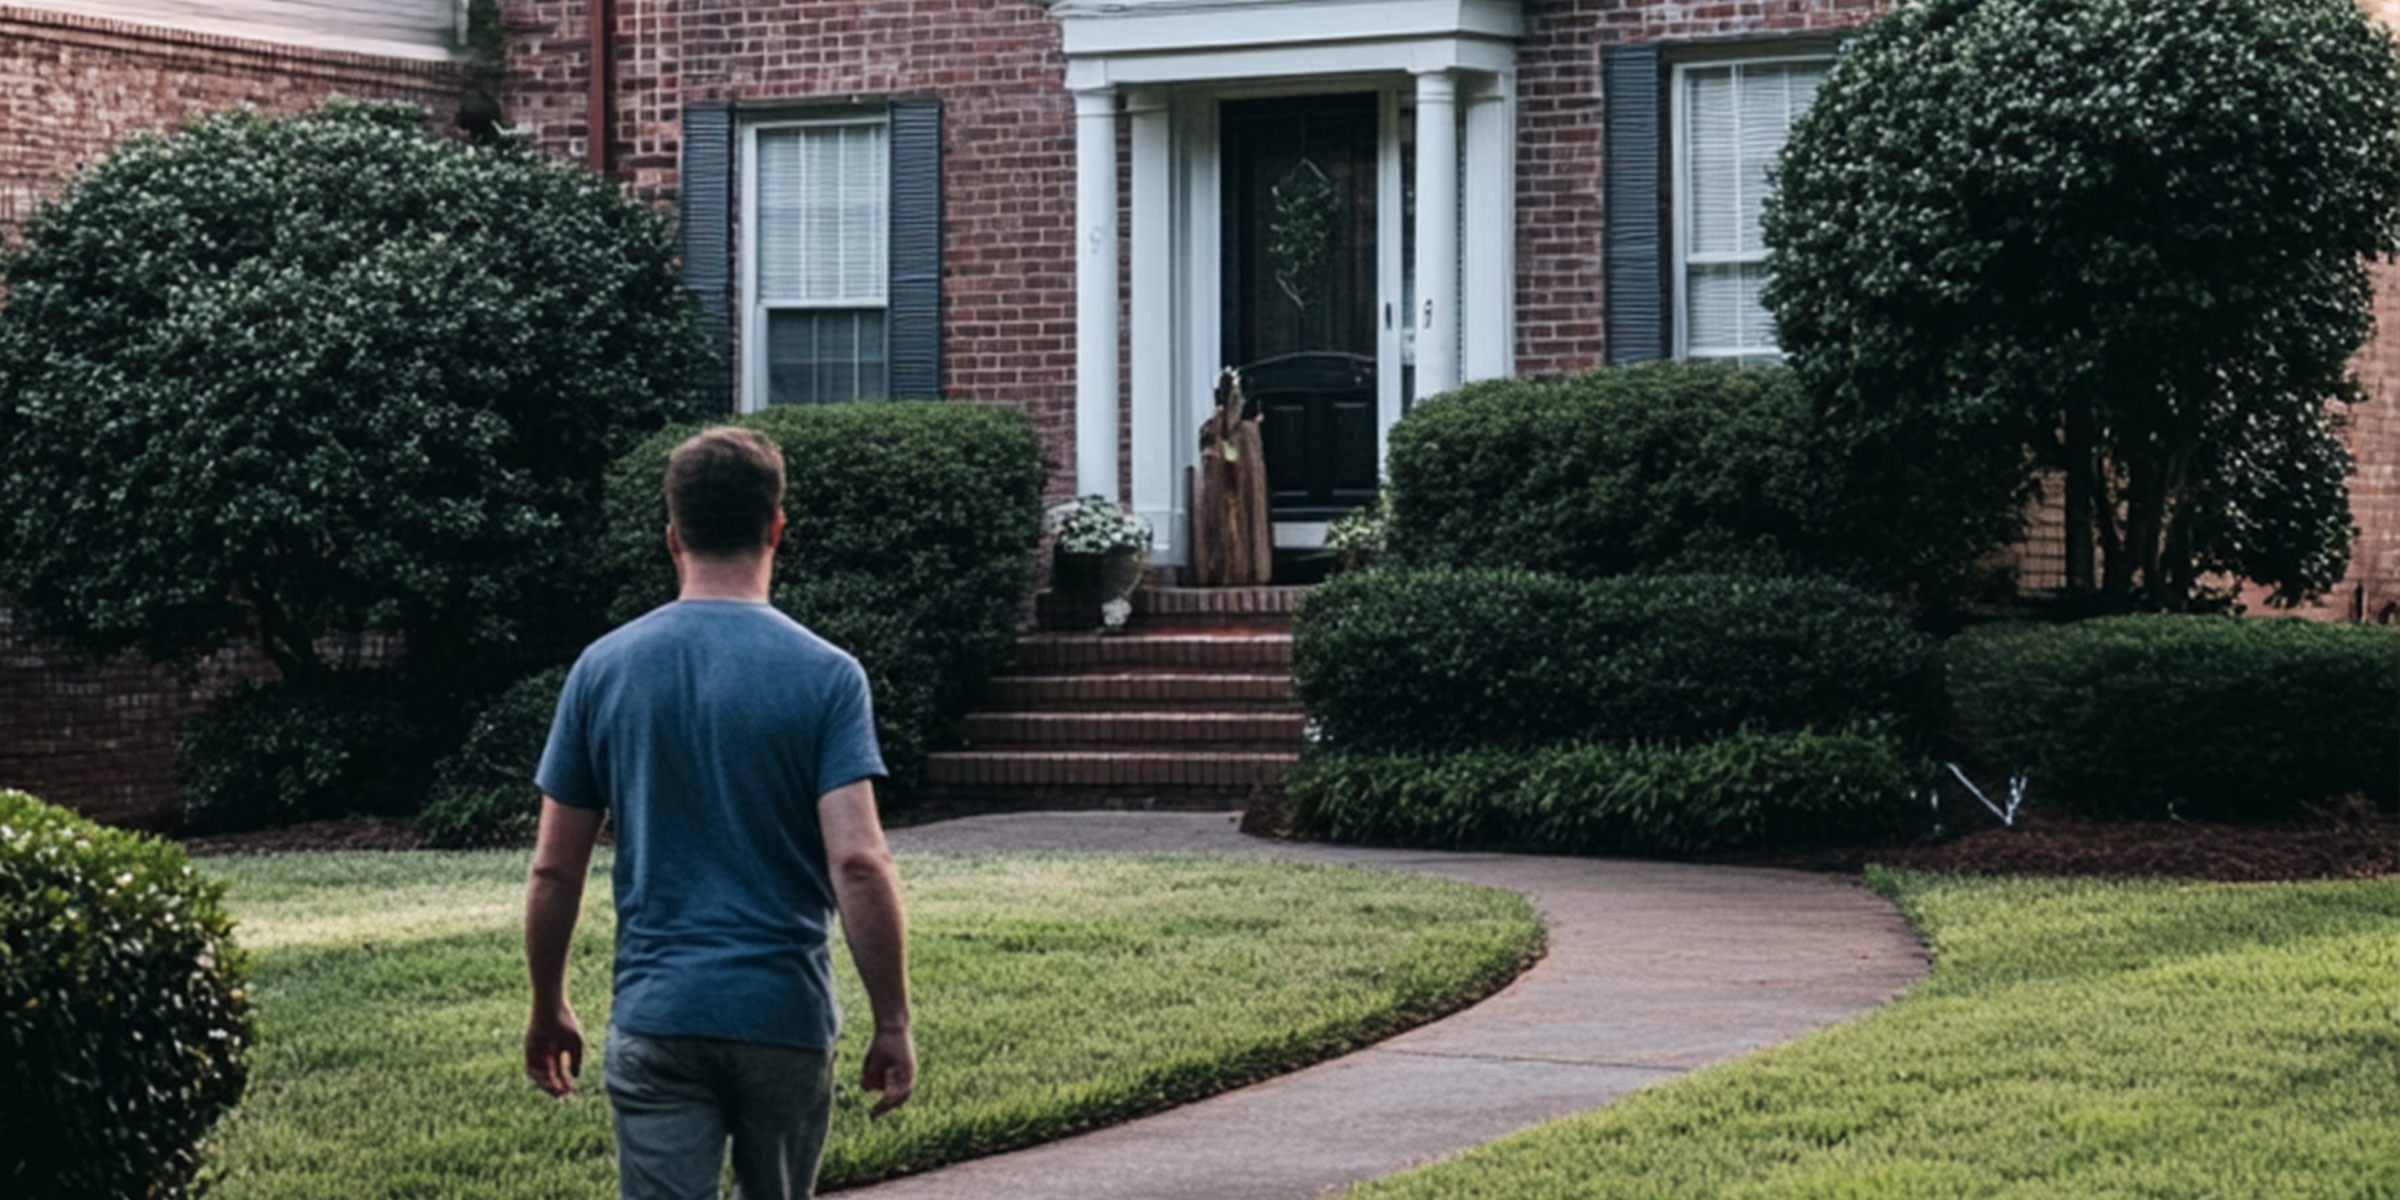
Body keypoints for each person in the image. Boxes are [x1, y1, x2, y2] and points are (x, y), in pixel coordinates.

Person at [522, 426, 916, 1200]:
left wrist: (548, 1004)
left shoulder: (603, 670)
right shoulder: (828, 676)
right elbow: (859, 863)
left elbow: (554, 866)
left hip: (658, 1012)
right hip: (783, 1015)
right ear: (776, 528)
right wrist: (892, 1020)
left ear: (672, 536)